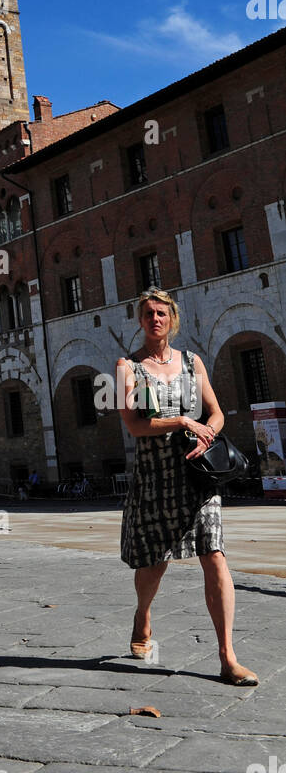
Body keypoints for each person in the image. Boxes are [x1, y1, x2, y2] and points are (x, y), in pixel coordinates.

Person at [117, 288, 257, 686]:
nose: (155, 319)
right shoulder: (129, 367)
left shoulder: (192, 363)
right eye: (147, 313)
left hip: (197, 476)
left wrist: (205, 434)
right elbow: (136, 425)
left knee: (214, 554)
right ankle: (142, 614)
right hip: (155, 477)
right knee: (154, 564)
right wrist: (181, 422)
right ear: (140, 320)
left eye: (161, 313)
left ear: (172, 320)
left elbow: (215, 414)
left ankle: (227, 657)